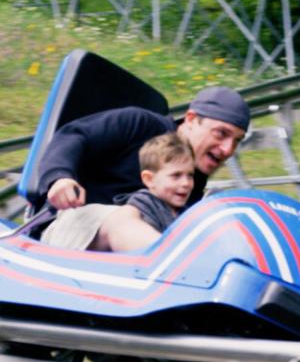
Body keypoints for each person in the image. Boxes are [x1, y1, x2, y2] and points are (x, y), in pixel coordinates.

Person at [26, 85, 250, 231]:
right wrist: (60, 178)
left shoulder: (192, 181)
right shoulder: (139, 124)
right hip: (74, 229)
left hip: (127, 266)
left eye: (237, 141)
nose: (228, 149)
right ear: (191, 120)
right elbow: (74, 135)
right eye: (221, 134)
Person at [40, 133, 197, 252]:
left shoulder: (184, 212)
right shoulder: (144, 205)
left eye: (190, 175)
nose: (186, 183)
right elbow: (127, 217)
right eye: (176, 176)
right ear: (149, 179)